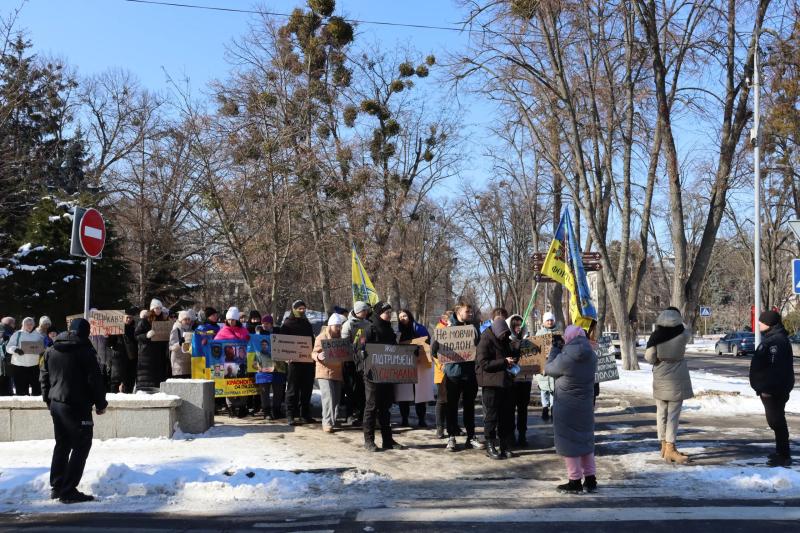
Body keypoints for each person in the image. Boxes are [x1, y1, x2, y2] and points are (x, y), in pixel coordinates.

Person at [40, 318, 107, 504]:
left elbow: (43, 377)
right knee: (81, 445)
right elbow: (94, 380)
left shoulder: (51, 350)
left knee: (62, 444)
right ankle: (68, 490)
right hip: (77, 405)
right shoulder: (85, 351)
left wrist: (48, 400)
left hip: (56, 403)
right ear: (86, 332)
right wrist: (101, 404)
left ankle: (58, 485)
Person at [545, 325, 598, 494]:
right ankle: (590, 478)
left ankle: (574, 480)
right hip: (585, 405)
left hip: (567, 406)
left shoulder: (566, 357)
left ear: (568, 338)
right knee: (585, 441)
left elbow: (549, 369)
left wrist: (554, 349)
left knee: (569, 443)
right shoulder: (592, 355)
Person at [644, 307, 693, 464]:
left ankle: (663, 446)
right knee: (673, 415)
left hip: (660, 376)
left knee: (661, 413)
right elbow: (687, 330)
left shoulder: (655, 336)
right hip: (677, 377)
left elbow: (649, 357)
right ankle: (671, 448)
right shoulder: (683, 335)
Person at [433, 303, 484, 452]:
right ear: (458, 312)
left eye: (471, 311)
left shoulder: (473, 328)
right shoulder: (446, 328)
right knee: (452, 406)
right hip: (453, 374)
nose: (470, 314)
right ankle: (451, 437)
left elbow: (479, 348)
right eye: (467, 311)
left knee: (469, 407)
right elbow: (435, 351)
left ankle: (471, 437)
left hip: (469, 374)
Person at [750, 310, 795, 467]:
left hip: (774, 389)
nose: (759, 324)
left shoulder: (777, 342)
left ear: (769, 324)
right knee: (776, 421)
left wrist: (767, 387)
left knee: (776, 421)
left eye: (761, 322)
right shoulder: (772, 339)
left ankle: (784, 455)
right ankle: (781, 453)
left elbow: (776, 368)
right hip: (770, 388)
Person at [361, 301, 405, 451]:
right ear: (379, 313)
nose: (389, 315)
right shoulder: (369, 328)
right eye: (386, 312)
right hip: (372, 374)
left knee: (385, 407)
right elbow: (361, 350)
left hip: (387, 373)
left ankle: (388, 440)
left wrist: (409, 353)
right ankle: (369, 441)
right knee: (371, 407)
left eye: (390, 312)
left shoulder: (389, 329)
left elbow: (394, 350)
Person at [476, 317, 515, 459]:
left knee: (505, 416)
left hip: (505, 382)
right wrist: (504, 362)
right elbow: (484, 363)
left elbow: (511, 350)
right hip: (491, 383)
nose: (505, 336)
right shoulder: (485, 340)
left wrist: (515, 349)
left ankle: (504, 445)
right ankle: (490, 444)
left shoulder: (504, 339)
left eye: (506, 333)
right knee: (491, 416)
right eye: (503, 333)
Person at [396, 309, 434, 428]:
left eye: (404, 315)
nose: (402, 318)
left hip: (419, 364)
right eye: (400, 316)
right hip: (404, 365)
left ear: (409, 316)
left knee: (420, 392)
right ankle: (404, 419)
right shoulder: (398, 331)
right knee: (403, 393)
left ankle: (421, 419)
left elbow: (426, 342)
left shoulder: (419, 328)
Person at [282, 300, 316, 426]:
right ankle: (290, 414)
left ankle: (305, 414)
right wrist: (286, 356)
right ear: (294, 309)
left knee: (307, 388)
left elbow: (311, 341)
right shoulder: (287, 324)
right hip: (294, 363)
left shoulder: (307, 323)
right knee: (292, 389)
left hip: (307, 362)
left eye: (304, 308)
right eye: (299, 308)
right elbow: (282, 343)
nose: (302, 311)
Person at [313, 313, 347, 433]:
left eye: (340, 326)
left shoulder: (341, 339)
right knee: (329, 397)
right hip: (324, 371)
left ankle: (334, 419)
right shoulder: (321, 337)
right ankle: (327, 422)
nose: (339, 328)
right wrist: (318, 356)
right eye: (337, 326)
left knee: (336, 398)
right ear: (331, 325)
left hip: (337, 372)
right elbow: (313, 353)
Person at [215, 307, 251, 418]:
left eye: (233, 320)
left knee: (243, 384)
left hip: (242, 362)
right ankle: (230, 407)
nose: (231, 322)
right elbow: (215, 344)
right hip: (227, 363)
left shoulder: (243, 330)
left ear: (237, 320)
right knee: (229, 385)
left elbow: (249, 342)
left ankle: (242, 407)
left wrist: (250, 339)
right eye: (229, 320)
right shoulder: (223, 331)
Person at [341, 301, 371, 427]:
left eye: (366, 311)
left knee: (361, 389)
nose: (365, 313)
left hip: (364, 361)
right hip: (350, 361)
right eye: (363, 310)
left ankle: (361, 414)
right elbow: (344, 342)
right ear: (358, 311)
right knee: (351, 389)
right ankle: (349, 414)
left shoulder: (369, 324)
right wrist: (354, 351)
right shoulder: (348, 324)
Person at [254, 315, 286, 420]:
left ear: (271, 324)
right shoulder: (258, 335)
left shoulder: (279, 333)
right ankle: (266, 411)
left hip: (278, 367)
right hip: (263, 367)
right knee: (264, 391)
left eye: (267, 324)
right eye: (263, 323)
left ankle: (276, 410)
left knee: (278, 390)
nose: (264, 325)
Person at [134, 299, 170, 392]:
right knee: (147, 378)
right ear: (152, 309)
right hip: (147, 354)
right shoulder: (144, 321)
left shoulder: (164, 321)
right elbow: (137, 336)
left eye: (160, 308)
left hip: (160, 354)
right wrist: (146, 335)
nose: (158, 310)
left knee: (158, 378)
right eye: (156, 308)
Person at [508, 314, 532, 447]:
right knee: (510, 409)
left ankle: (522, 435)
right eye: (515, 325)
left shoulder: (529, 340)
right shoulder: (507, 339)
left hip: (526, 379)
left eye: (520, 325)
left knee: (523, 409)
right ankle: (511, 435)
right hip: (512, 380)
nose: (518, 328)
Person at [6, 316, 45, 396]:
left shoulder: (38, 335)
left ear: (34, 325)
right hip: (19, 366)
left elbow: (43, 347)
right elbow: (8, 347)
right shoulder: (17, 334)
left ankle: (36, 406)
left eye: (31, 324)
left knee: (37, 390)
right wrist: (15, 350)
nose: (29, 326)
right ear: (23, 325)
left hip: (34, 366)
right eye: (27, 324)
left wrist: (42, 350)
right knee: (21, 391)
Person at [433, 310, 453, 439]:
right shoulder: (439, 330)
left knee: (453, 401)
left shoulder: (457, 330)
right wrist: (442, 365)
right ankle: (439, 427)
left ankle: (453, 427)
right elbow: (434, 352)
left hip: (455, 371)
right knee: (441, 401)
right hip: (442, 372)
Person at [535, 311, 558, 421]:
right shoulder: (539, 334)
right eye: (547, 320)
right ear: (544, 322)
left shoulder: (558, 333)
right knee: (544, 389)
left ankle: (553, 408)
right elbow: (535, 349)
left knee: (554, 389)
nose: (549, 322)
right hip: (543, 365)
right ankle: (545, 407)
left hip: (554, 364)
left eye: (551, 320)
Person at [169, 311, 195, 379]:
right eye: (185, 319)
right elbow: (171, 346)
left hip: (188, 362)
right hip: (179, 363)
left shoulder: (191, 330)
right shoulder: (176, 329)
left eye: (188, 319)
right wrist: (179, 343)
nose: (187, 321)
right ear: (181, 320)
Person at [0, 317, 17, 396]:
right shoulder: (10, 333)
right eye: (13, 323)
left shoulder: (10, 334)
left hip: (6, 365)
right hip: (6, 364)